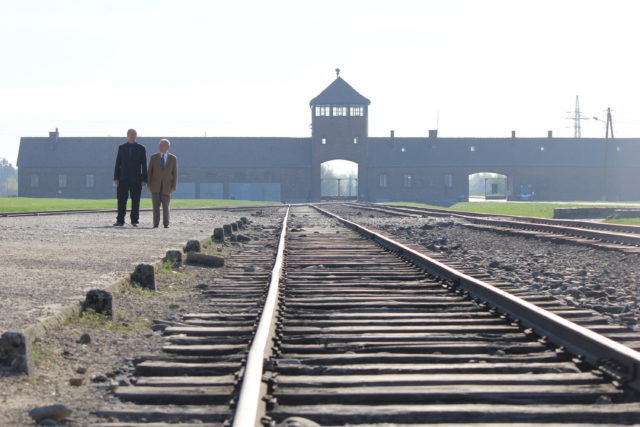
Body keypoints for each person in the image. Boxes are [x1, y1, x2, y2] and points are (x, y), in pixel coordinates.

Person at [113, 129, 147, 227]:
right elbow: (117, 163)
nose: (131, 136)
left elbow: (144, 165)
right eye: (130, 134)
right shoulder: (122, 147)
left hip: (136, 179)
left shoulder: (141, 148)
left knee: (136, 200)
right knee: (121, 200)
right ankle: (120, 220)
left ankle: (135, 221)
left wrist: (144, 179)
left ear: (136, 136)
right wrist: (116, 177)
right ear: (127, 136)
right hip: (123, 178)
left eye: (133, 134)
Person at [147, 138, 177, 228]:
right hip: (155, 186)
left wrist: (173, 186)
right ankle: (155, 223)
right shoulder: (154, 157)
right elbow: (149, 172)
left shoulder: (173, 158)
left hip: (167, 186)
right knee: (155, 206)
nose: (160, 147)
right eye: (160, 145)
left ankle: (166, 223)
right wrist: (149, 184)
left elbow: (175, 173)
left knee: (166, 206)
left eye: (162, 145)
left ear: (168, 146)